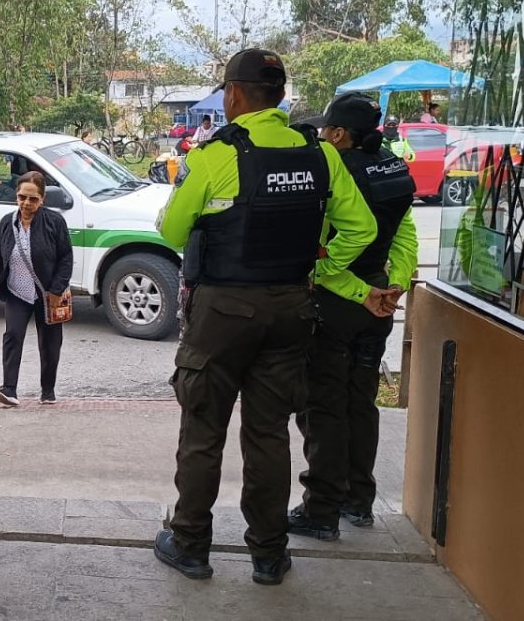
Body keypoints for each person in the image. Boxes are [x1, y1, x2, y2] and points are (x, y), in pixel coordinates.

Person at [152, 49, 377, 586]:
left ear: (233, 94)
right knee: (269, 433)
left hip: (224, 312)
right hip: (291, 309)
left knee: (204, 429)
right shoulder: (319, 153)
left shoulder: (216, 155)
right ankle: (269, 555)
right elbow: (362, 228)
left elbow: (171, 232)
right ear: (279, 95)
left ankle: (189, 544)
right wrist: (323, 262)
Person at [289, 93, 417, 540]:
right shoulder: (394, 168)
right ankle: (358, 501)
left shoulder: (334, 171)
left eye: (326, 129)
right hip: (378, 306)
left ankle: (321, 511)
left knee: (323, 406)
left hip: (341, 302)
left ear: (340, 134)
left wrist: (357, 289)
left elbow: (332, 253)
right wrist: (392, 288)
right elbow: (405, 239)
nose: (321, 135)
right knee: (360, 402)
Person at [0, 171, 74, 406]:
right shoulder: (6, 223)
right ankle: (9, 389)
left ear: (42, 199)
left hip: (47, 295)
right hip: (17, 291)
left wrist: (56, 290)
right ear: (16, 196)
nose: (27, 203)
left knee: (50, 344)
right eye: (22, 197)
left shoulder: (55, 222)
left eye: (33, 199)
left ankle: (48, 391)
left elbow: (65, 258)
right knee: (12, 336)